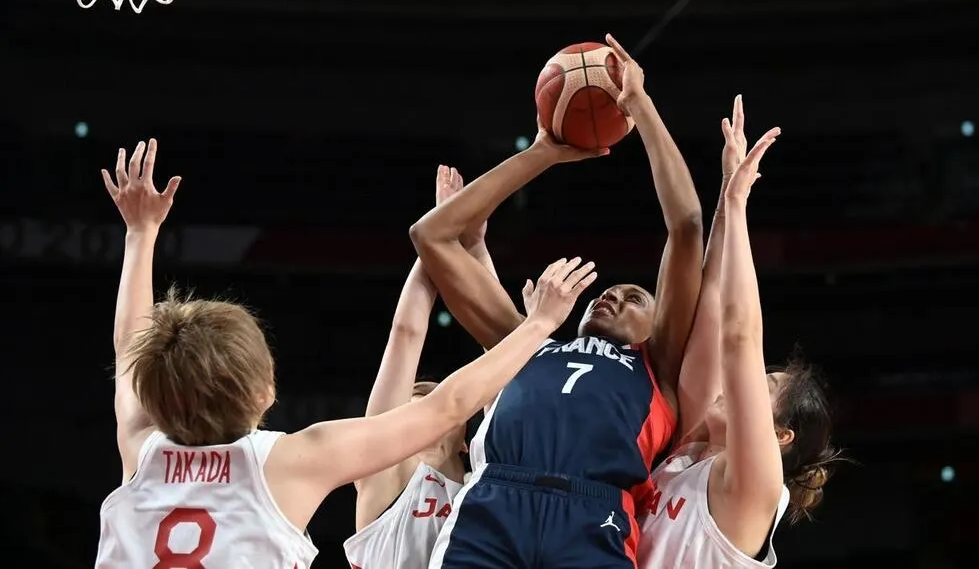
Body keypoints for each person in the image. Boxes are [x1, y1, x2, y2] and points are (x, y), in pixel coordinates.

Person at [92, 139, 601, 569]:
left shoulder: (143, 453)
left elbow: (129, 349)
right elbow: (445, 404)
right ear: (265, 389)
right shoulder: (291, 461)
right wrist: (538, 323)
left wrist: (140, 234)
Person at [411, 35, 706, 569]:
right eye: (608, 290)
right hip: (494, 501)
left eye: (635, 296)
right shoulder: (525, 343)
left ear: (662, 323)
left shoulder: (658, 365)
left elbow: (685, 227)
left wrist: (640, 104)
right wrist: (542, 153)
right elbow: (431, 237)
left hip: (596, 514)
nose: (611, 293)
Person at [638, 101, 842, 568]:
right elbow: (712, 312)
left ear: (779, 434)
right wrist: (727, 201)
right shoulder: (686, 457)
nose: (742, 383)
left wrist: (739, 203)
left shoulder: (758, 489)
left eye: (765, 385)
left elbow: (739, 339)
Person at [345, 166, 497, 569]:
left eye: (434, 407)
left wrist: (474, 250)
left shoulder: (487, 486)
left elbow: (502, 352)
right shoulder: (381, 476)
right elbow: (406, 333)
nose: (422, 419)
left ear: (468, 436)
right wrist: (439, 240)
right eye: (411, 410)